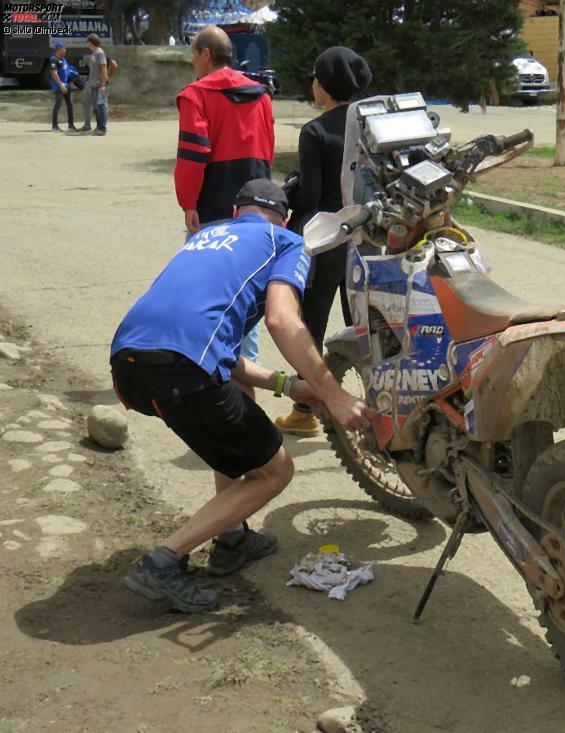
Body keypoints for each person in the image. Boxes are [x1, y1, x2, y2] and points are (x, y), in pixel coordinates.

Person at [112, 179, 375, 613]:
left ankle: (231, 537)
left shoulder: (204, 238)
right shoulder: (285, 241)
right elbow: (282, 321)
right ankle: (163, 562)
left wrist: (291, 386)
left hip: (130, 367)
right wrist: (335, 394)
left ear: (237, 213)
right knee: (274, 471)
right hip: (180, 373)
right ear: (286, 218)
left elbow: (219, 354)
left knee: (234, 402)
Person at [275, 47, 372, 436]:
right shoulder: (367, 124)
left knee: (310, 324)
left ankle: (305, 410)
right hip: (366, 238)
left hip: (325, 240)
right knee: (365, 326)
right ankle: (378, 406)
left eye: (316, 79)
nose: (312, 85)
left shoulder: (315, 131)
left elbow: (311, 196)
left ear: (326, 86)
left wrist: (289, 194)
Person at [174, 25, 275, 364]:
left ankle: (205, 367)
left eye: (193, 55)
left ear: (205, 54)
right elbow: (268, 149)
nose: (193, 63)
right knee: (246, 293)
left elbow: (193, 154)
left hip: (213, 205)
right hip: (256, 207)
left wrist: (188, 202)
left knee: (203, 292)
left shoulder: (196, 95)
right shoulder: (261, 94)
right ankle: (248, 373)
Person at [48, 42, 76, 132]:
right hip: (59, 86)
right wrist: (61, 85)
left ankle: (71, 125)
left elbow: (67, 71)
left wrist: (71, 82)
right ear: (59, 49)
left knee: (70, 105)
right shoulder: (53, 60)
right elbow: (54, 73)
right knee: (58, 105)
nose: (65, 50)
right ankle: (54, 125)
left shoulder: (64, 59)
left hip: (67, 85)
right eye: (64, 48)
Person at [84, 33, 109, 135]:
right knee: (96, 107)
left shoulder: (100, 53)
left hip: (99, 84)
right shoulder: (94, 53)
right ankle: (98, 126)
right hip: (93, 84)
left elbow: (104, 68)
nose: (87, 45)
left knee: (101, 105)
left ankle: (102, 128)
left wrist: (103, 84)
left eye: (88, 42)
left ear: (91, 42)